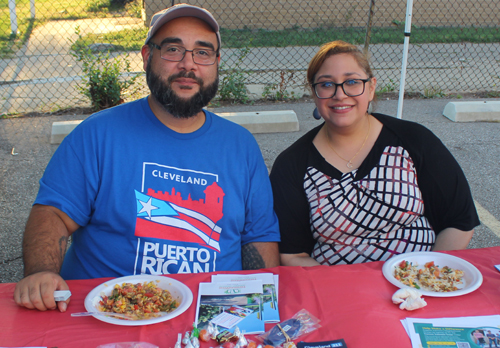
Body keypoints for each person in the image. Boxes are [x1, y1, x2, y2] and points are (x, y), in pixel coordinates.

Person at [14, 4, 280, 312]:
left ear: (216, 62)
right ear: (146, 56)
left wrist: (261, 310)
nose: (187, 65)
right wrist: (41, 273)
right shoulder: (98, 135)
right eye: (173, 49)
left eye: (202, 53)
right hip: (111, 308)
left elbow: (258, 238)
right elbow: (54, 214)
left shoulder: (241, 145)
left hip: (214, 312)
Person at [270, 40, 479, 267]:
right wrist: (350, 292)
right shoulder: (292, 165)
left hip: (419, 287)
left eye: (352, 82)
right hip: (339, 294)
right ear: (314, 93)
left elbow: (459, 221)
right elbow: (293, 254)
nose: (340, 94)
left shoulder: (413, 140)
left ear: (371, 88)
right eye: (326, 84)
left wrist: (425, 277)